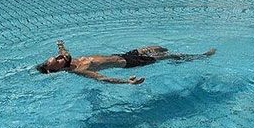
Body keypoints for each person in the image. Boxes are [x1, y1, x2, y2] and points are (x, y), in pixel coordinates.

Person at [36, 40, 216, 85]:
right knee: (168, 56)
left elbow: (64, 52)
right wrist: (126, 82)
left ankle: (177, 59)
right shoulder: (79, 70)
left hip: (123, 54)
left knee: (158, 48)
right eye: (57, 61)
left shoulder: (68, 59)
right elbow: (102, 79)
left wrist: (60, 45)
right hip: (130, 63)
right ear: (56, 71)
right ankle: (199, 56)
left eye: (58, 56)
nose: (60, 57)